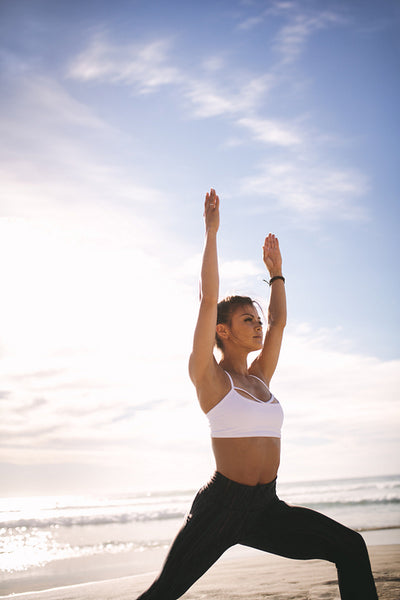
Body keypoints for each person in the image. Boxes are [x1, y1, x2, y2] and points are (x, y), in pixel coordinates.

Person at [136, 189, 378, 600]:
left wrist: (277, 273)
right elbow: (208, 299)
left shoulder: (261, 378)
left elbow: (280, 324)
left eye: (257, 318)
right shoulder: (210, 378)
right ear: (222, 331)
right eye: (248, 320)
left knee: (351, 546)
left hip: (266, 508)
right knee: (163, 593)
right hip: (221, 509)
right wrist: (211, 233)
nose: (259, 325)